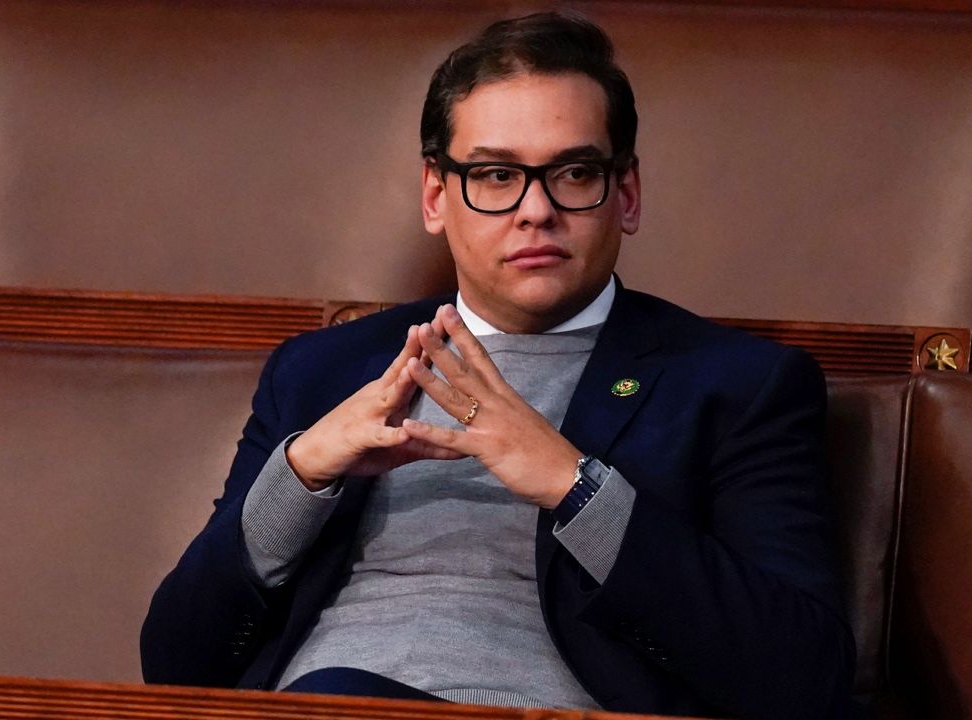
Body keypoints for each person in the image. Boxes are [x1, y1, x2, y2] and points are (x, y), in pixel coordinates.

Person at [141, 11, 854, 719]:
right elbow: (174, 663)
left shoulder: (739, 384)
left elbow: (803, 678)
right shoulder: (321, 371)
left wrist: (574, 487)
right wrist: (298, 479)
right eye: (495, 174)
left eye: (575, 173)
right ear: (434, 195)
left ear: (626, 194)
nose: (536, 209)